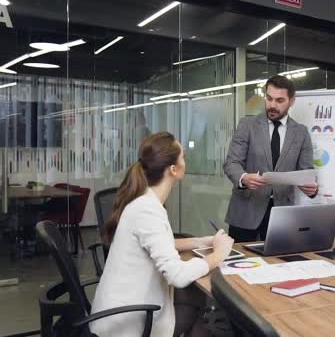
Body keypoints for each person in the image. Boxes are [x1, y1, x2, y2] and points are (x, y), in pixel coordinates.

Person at [90, 132, 234, 337]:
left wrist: (201, 241)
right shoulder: (148, 210)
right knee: (202, 306)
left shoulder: (144, 202)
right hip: (128, 324)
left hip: (124, 308)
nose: (186, 161)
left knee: (195, 297)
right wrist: (219, 254)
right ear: (173, 169)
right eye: (183, 156)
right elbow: (178, 275)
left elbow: (159, 243)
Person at [223, 75, 318, 242]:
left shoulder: (301, 133)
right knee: (239, 265)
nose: (272, 105)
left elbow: (306, 171)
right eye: (269, 98)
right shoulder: (247, 125)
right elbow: (232, 163)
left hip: (282, 214)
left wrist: (311, 188)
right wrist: (244, 178)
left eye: (280, 100)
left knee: (278, 265)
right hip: (246, 211)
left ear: (291, 101)